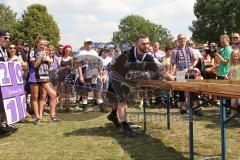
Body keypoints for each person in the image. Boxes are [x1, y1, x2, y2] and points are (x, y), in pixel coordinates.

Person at [107, 34, 174, 137]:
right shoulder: (126, 54)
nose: (146, 46)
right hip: (117, 77)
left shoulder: (148, 56)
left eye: (147, 43)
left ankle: (113, 115)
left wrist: (169, 76)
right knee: (122, 101)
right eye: (143, 44)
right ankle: (125, 127)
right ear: (137, 44)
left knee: (118, 101)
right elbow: (112, 65)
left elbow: (158, 68)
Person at [28, 37, 60, 125]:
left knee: (51, 95)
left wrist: (49, 61)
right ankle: (38, 117)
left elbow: (47, 67)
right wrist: (41, 57)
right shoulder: (32, 52)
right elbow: (34, 65)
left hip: (44, 77)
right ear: (37, 44)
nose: (43, 46)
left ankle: (52, 116)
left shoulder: (46, 53)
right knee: (35, 97)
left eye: (44, 45)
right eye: (41, 44)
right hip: (34, 76)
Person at [170, 34, 199, 115]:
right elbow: (172, 63)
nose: (182, 40)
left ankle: (195, 107)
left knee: (193, 90)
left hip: (190, 71)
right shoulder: (175, 50)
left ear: (186, 39)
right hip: (180, 72)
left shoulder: (190, 49)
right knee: (181, 91)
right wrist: (172, 73)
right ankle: (183, 107)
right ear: (178, 40)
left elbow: (196, 59)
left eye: (183, 38)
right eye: (180, 39)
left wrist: (192, 66)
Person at [77, 38, 108, 113]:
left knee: (97, 90)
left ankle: (101, 106)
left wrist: (100, 72)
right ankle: (85, 106)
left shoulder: (94, 52)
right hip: (86, 73)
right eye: (87, 43)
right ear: (84, 44)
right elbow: (79, 65)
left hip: (95, 73)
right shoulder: (81, 53)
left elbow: (98, 63)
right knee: (85, 90)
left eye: (90, 43)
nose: (89, 45)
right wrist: (80, 76)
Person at [58, 45, 73, 112]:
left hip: (69, 77)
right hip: (62, 77)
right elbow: (58, 68)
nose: (68, 51)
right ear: (64, 50)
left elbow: (73, 68)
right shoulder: (60, 58)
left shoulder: (71, 58)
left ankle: (67, 108)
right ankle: (60, 108)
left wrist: (70, 67)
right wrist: (64, 67)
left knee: (68, 93)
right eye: (67, 50)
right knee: (62, 93)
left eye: (69, 50)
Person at [228, 51, 240, 117]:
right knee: (233, 102)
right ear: (231, 57)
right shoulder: (231, 66)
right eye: (234, 56)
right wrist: (228, 75)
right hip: (233, 86)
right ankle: (233, 113)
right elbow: (231, 75)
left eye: (237, 56)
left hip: (239, 86)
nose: (235, 57)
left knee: (239, 101)